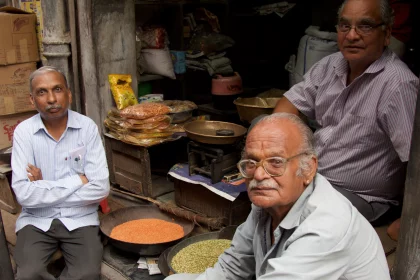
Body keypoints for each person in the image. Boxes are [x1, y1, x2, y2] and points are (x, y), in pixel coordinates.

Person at [166, 113, 390, 280]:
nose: (260, 175)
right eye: (252, 163)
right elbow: (230, 269)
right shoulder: (265, 206)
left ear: (308, 168)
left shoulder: (328, 225)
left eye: (276, 162)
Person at [273, 0, 419, 236]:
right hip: (316, 176)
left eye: (365, 26)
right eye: (344, 26)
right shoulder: (330, 65)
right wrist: (278, 151)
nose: (352, 35)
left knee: (295, 217)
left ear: (387, 33)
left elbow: (417, 163)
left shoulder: (398, 85)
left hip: (362, 196)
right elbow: (287, 105)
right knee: (264, 137)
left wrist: (410, 219)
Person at [11, 66, 110, 280]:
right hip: (36, 220)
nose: (51, 99)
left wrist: (43, 186)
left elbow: (100, 187)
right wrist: (78, 180)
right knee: (28, 274)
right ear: (32, 100)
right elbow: (24, 195)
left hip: (80, 218)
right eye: (42, 92)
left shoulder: (87, 128)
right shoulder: (24, 133)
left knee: (87, 274)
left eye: (57, 89)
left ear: (69, 94)